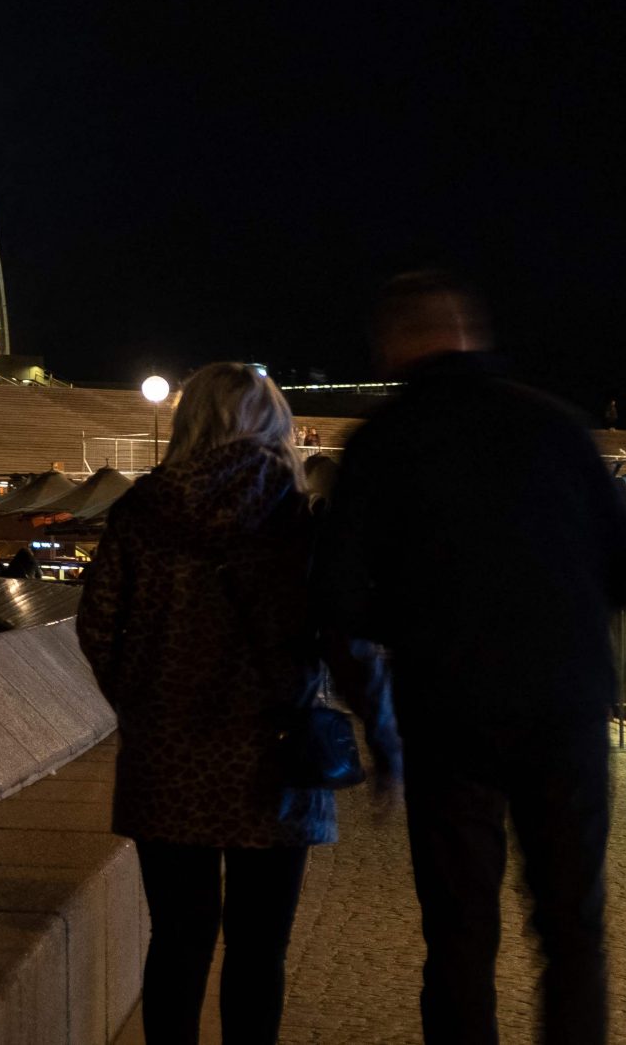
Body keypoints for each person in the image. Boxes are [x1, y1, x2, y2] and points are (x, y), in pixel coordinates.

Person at [318, 273, 626, 1045]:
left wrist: (405, 644)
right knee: (571, 927)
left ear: (394, 344)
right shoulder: (558, 428)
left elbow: (336, 596)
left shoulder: (381, 443)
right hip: (562, 709)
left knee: (460, 933)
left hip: (447, 711)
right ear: (470, 333)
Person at [79, 361, 397, 1045]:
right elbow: (346, 632)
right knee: (259, 951)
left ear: (191, 421)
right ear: (273, 424)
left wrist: (144, 699)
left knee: (178, 942)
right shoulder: (298, 514)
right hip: (273, 756)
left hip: (168, 761)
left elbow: (98, 624)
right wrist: (382, 727)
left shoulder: (141, 509)